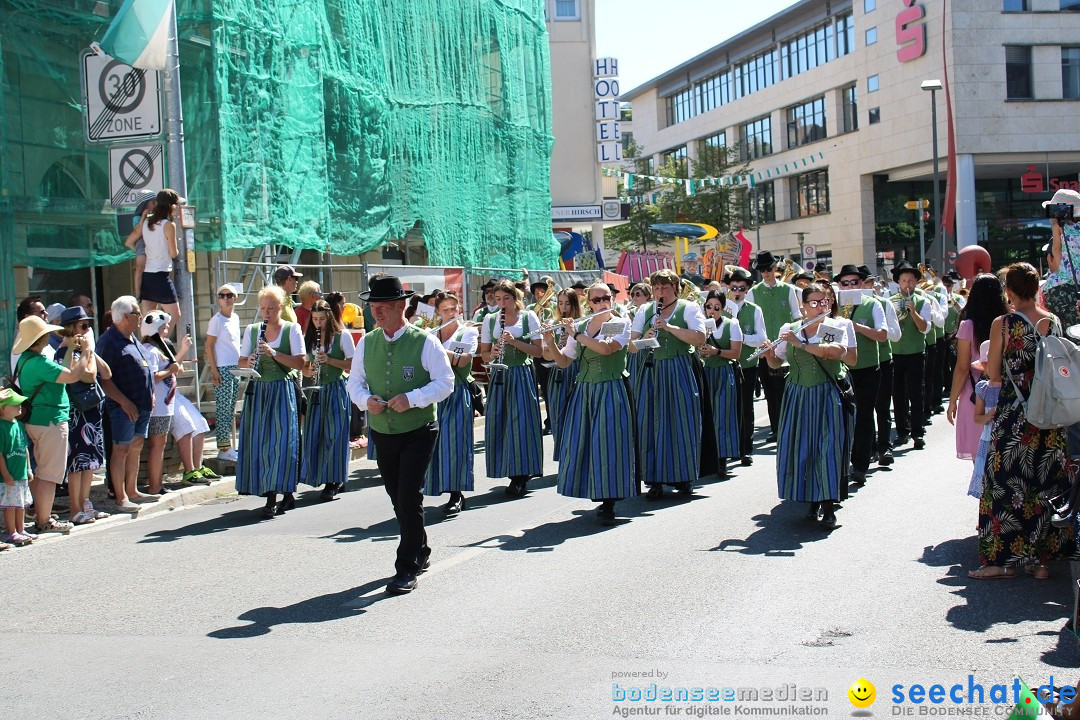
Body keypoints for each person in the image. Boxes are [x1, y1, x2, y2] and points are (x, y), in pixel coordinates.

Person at [345, 274, 454, 594]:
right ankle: (420, 547)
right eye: (373, 305)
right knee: (397, 497)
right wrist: (366, 401)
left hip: (419, 430)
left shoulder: (425, 341)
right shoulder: (367, 342)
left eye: (384, 305)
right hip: (383, 431)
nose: (376, 311)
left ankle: (406, 566)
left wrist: (413, 398)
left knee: (408, 495)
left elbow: (445, 383)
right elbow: (354, 384)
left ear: (400, 306)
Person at [970, 263, 1079, 580]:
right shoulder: (1052, 320)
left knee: (1005, 484)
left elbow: (993, 374)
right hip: (1051, 413)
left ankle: (1003, 561)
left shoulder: (1003, 325)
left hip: (1015, 415)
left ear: (1010, 291)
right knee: (1047, 482)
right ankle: (1041, 562)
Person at [546, 282, 637, 525]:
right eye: (595, 300)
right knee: (583, 442)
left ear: (612, 298)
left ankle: (609, 502)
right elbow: (565, 362)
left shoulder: (619, 322)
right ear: (588, 302)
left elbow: (606, 349)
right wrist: (550, 340)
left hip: (610, 388)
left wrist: (576, 334)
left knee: (608, 443)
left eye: (605, 298)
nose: (601, 303)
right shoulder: (583, 325)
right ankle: (594, 489)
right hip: (584, 390)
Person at [765, 283, 849, 529]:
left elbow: (834, 353)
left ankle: (829, 506)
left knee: (827, 448)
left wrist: (800, 343)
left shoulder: (832, 327)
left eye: (823, 301)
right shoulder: (790, 329)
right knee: (802, 447)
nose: (819, 306)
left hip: (825, 393)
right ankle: (810, 499)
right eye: (813, 302)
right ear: (803, 305)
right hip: (797, 394)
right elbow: (777, 364)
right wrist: (769, 354)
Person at [629, 268, 707, 498]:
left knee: (680, 422)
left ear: (675, 288)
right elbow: (632, 346)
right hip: (650, 371)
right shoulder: (645, 310)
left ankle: (683, 477)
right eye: (656, 287)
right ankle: (654, 479)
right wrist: (647, 336)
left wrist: (669, 327)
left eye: (665, 287)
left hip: (678, 369)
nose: (660, 291)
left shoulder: (689, 308)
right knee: (649, 423)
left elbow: (699, 338)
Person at [11, 314, 92, 533]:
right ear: (40, 338)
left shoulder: (27, 360)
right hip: (50, 421)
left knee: (43, 471)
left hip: (38, 420)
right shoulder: (39, 362)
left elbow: (64, 373)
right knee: (49, 474)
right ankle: (44, 520)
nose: (49, 335)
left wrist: (68, 351)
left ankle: (41, 514)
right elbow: (74, 375)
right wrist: (85, 351)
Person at [236, 285, 305, 518]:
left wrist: (274, 353)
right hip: (259, 391)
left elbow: (300, 363)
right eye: (263, 308)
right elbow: (241, 361)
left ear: (281, 307)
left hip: (282, 391)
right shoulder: (253, 330)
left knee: (280, 443)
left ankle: (274, 496)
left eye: (271, 308)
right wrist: (251, 359)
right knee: (261, 443)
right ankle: (279, 493)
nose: (266, 313)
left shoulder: (291, 329)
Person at [479, 280, 545, 497]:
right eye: (497, 299)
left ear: (515, 298)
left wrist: (514, 342)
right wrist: (495, 351)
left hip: (521, 374)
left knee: (522, 424)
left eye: (506, 299)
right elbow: (484, 355)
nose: (501, 303)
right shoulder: (490, 320)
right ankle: (509, 469)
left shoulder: (528, 317)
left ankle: (521, 475)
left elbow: (538, 352)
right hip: (500, 375)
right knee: (501, 422)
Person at [53, 306, 111, 524]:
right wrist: (86, 352)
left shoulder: (84, 351)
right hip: (77, 413)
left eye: (89, 325)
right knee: (77, 463)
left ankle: (85, 502)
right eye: (83, 326)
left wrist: (89, 351)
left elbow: (106, 373)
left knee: (91, 462)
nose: (88, 329)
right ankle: (75, 508)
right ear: (70, 329)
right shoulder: (62, 353)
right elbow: (88, 377)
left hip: (92, 413)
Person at [423, 292, 478, 515]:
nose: (451, 313)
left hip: (456, 393)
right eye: (445, 310)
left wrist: (434, 348)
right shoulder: (430, 333)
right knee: (431, 445)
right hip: (433, 394)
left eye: (454, 309)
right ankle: (433, 487)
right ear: (437, 312)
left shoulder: (468, 332)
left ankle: (457, 493)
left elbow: (462, 360)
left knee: (455, 444)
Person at [97, 296, 154, 512]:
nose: (141, 317)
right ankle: (120, 497)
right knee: (121, 449)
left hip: (142, 403)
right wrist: (123, 402)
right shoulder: (108, 341)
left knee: (136, 446)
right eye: (138, 313)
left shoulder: (132, 338)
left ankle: (132, 490)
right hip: (122, 406)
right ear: (126, 316)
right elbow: (105, 380)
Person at [834, 265, 887, 484]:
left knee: (864, 416)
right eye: (844, 283)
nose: (849, 287)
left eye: (853, 282)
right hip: (842, 369)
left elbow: (883, 335)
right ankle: (843, 462)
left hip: (867, 369)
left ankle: (861, 465)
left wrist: (856, 327)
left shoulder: (872, 303)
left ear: (861, 283)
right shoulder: (834, 306)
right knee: (842, 418)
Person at [946, 274, 1008, 461]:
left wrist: (952, 401)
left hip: (974, 392)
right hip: (1004, 388)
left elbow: (963, 367)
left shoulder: (968, 325)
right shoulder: (1008, 321)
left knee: (979, 456)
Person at [300, 300, 355, 500]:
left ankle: (335, 480)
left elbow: (353, 364)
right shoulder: (310, 338)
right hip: (316, 391)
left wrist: (330, 360)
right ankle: (318, 476)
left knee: (335, 434)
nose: (318, 323)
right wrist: (310, 368)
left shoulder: (342, 336)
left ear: (329, 318)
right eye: (315, 319)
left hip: (336, 388)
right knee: (313, 434)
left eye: (322, 319)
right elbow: (304, 367)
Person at [747, 251, 801, 443]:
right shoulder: (753, 292)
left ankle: (790, 426)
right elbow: (751, 320)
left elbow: (797, 317)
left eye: (769, 269)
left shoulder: (788, 290)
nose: (767, 273)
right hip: (765, 348)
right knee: (770, 391)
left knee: (788, 389)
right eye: (762, 270)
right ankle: (776, 427)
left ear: (775, 268)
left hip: (786, 348)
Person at [141, 311, 193, 494]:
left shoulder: (158, 349)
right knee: (157, 445)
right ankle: (155, 485)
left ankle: (158, 483)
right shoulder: (151, 351)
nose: (166, 330)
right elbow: (152, 376)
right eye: (163, 328)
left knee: (160, 444)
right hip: (158, 407)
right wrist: (170, 370)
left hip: (165, 405)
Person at [698, 290, 743, 477]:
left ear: (723, 309)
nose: (712, 311)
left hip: (724, 372)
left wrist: (716, 351)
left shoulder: (732, 325)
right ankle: (708, 457)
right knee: (708, 415)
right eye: (709, 306)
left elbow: (736, 353)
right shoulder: (701, 325)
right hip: (707, 372)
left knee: (723, 415)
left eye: (717, 307)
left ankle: (722, 459)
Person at [889, 261, 933, 451]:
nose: (907, 284)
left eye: (911, 280)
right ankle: (901, 431)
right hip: (896, 353)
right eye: (904, 280)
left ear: (916, 282)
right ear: (898, 282)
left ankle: (917, 432)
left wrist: (913, 311)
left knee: (916, 393)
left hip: (915, 352)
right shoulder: (890, 301)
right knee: (898, 394)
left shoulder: (923, 301)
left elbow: (924, 327)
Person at [861, 267, 901, 467]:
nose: (866, 287)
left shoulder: (883, 304)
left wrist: (877, 327)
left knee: (883, 407)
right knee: (864, 410)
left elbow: (895, 334)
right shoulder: (847, 307)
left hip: (882, 360)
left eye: (868, 283)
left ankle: (885, 446)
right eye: (863, 283)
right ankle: (868, 448)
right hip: (858, 363)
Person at [726, 268, 766, 466]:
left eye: (741, 288)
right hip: (724, 364)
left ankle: (745, 449)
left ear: (747, 289)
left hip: (747, 364)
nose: (737, 291)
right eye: (733, 287)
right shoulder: (720, 307)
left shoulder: (754, 309)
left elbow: (761, 338)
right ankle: (729, 447)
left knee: (745, 407)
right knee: (727, 407)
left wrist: (740, 337)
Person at [542, 289, 583, 452]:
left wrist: (573, 340)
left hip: (577, 371)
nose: (563, 307)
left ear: (574, 304)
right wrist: (555, 344)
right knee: (559, 415)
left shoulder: (582, 324)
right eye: (560, 303)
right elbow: (545, 356)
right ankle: (563, 455)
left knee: (576, 416)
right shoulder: (553, 324)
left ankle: (576, 455)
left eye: (567, 303)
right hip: (557, 374)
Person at [206, 283, 242, 461]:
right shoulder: (216, 320)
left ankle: (227, 447)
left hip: (235, 368)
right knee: (223, 409)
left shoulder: (234, 318)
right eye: (222, 296)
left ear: (235, 298)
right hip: (223, 368)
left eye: (229, 295)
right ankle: (223, 448)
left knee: (230, 408)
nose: (225, 299)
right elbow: (209, 345)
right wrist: (214, 371)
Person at [138, 189, 182, 331]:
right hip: (161, 275)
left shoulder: (146, 223)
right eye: (176, 204)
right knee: (174, 315)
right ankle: (161, 344)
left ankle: (148, 347)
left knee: (148, 319)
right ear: (171, 206)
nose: (178, 207)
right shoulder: (169, 225)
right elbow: (174, 253)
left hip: (148, 275)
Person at [0, 388, 33, 546]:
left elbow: (25, 448)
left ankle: (21, 529)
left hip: (21, 473)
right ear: (3, 408)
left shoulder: (19, 425)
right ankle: (11, 532)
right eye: (15, 404)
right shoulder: (1, 427)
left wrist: (28, 468)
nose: (20, 405)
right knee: (10, 504)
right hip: (9, 475)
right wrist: (6, 475)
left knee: (21, 503)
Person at [966, 341, 998, 500]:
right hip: (988, 440)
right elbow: (977, 417)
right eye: (988, 364)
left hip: (1003, 440)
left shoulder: (1011, 386)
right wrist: (987, 417)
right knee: (986, 478)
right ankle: (985, 515)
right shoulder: (983, 388)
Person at [10, 296, 50, 373]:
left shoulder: (37, 337)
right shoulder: (25, 342)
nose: (47, 314)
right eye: (42, 312)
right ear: (28, 317)